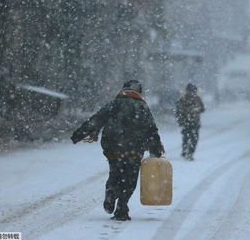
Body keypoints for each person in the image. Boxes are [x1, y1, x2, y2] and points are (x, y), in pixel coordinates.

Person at [71, 80, 165, 221]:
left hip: (113, 148)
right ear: (139, 92)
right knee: (130, 179)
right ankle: (122, 208)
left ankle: (111, 192)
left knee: (115, 172)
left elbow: (96, 119)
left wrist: (79, 134)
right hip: (134, 150)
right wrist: (156, 148)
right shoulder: (142, 107)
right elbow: (151, 130)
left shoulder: (114, 104)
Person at [175, 83, 205, 161]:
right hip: (186, 123)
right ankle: (185, 151)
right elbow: (178, 112)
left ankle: (190, 153)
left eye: (193, 91)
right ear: (187, 91)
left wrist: (196, 109)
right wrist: (181, 119)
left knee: (194, 139)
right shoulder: (182, 100)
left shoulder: (197, 99)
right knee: (186, 138)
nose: (192, 93)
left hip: (195, 123)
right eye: (190, 91)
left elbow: (202, 109)